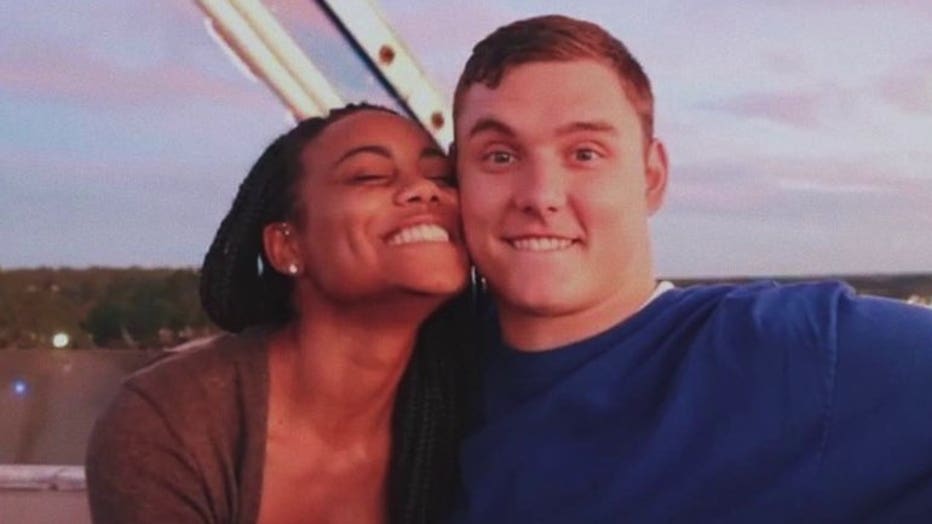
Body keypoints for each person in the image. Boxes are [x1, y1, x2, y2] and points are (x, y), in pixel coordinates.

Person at [450, 15, 932, 523]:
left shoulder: (784, 352)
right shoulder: (430, 378)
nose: (540, 195)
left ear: (652, 176)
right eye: (500, 157)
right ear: (456, 176)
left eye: (585, 154)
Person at [85, 103, 473, 524]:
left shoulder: (481, 407)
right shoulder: (172, 422)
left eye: (441, 177)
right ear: (287, 247)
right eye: (369, 175)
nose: (425, 190)